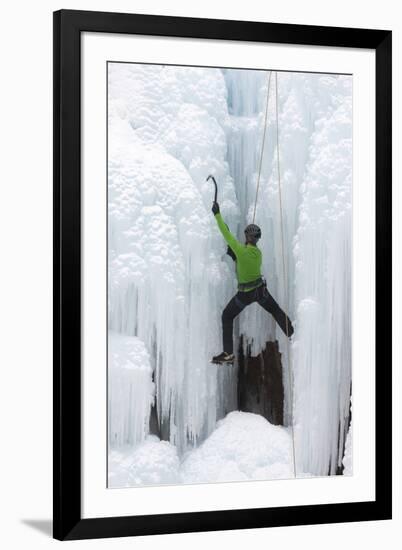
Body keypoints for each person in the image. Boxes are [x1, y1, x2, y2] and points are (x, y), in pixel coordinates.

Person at [211, 201, 294, 364]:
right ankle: (291, 333)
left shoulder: (241, 251)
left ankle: (228, 354)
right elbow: (243, 260)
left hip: (245, 295)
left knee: (227, 316)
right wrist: (234, 254)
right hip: (261, 292)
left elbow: (227, 236)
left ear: (247, 237)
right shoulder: (258, 253)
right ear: (257, 239)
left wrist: (217, 214)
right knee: (275, 310)